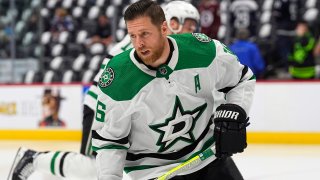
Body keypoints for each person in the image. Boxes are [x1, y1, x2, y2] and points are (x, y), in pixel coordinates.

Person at [7, 1, 204, 180]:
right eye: (187, 24)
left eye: (194, 26)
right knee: (95, 168)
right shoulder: (143, 44)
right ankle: (33, 159)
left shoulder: (165, 46)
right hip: (102, 108)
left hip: (120, 109)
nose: (191, 30)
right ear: (170, 22)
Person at [92, 0, 255, 180]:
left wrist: (237, 110)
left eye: (145, 34)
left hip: (208, 156)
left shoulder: (204, 51)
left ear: (164, 28)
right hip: (154, 170)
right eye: (133, 36)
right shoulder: (118, 78)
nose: (139, 44)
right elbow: (110, 142)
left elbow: (242, 78)